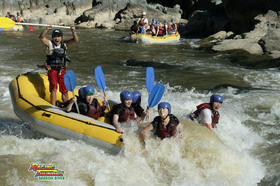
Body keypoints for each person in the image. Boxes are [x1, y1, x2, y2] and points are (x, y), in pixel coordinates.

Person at [39, 25, 78, 106]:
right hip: (52, 70)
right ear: (52, 38)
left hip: (61, 70)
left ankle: (67, 106)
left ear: (61, 37)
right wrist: (47, 30)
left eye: (58, 36)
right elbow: (41, 38)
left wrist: (73, 31)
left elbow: (75, 40)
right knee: (53, 89)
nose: (56, 39)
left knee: (64, 90)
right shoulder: (49, 44)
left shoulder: (65, 44)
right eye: (55, 37)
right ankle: (53, 106)